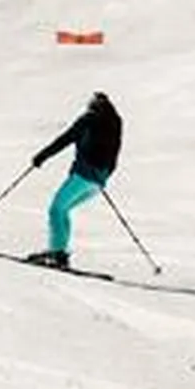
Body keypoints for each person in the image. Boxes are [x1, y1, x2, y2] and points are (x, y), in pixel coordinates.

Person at [24, 91, 124, 267]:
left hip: (82, 176)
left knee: (56, 210)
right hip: (97, 182)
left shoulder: (89, 120)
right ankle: (59, 252)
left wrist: (41, 157)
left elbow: (65, 139)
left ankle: (57, 254)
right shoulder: (115, 124)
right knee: (63, 210)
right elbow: (115, 154)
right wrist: (104, 176)